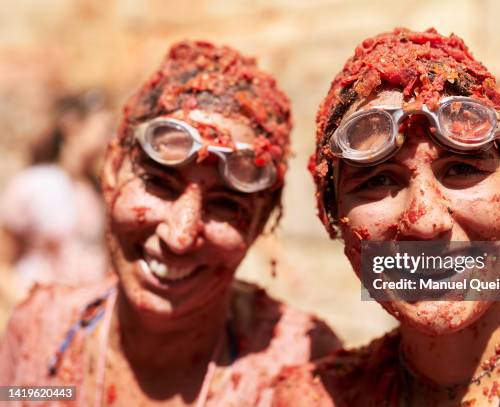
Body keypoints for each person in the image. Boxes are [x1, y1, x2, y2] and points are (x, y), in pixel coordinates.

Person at [272, 28, 500, 406]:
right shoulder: (316, 397)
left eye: (461, 170)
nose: (427, 221)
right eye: (379, 179)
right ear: (334, 220)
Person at [0, 41, 341, 406]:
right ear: (112, 170)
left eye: (225, 204)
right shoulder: (43, 333)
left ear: (261, 221)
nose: (179, 237)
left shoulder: (297, 367)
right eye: (160, 183)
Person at [0, 90, 111, 294]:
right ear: (72, 125)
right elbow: (3, 263)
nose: (108, 140)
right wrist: (23, 305)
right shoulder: (32, 185)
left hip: (87, 316)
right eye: (102, 130)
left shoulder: (98, 191)